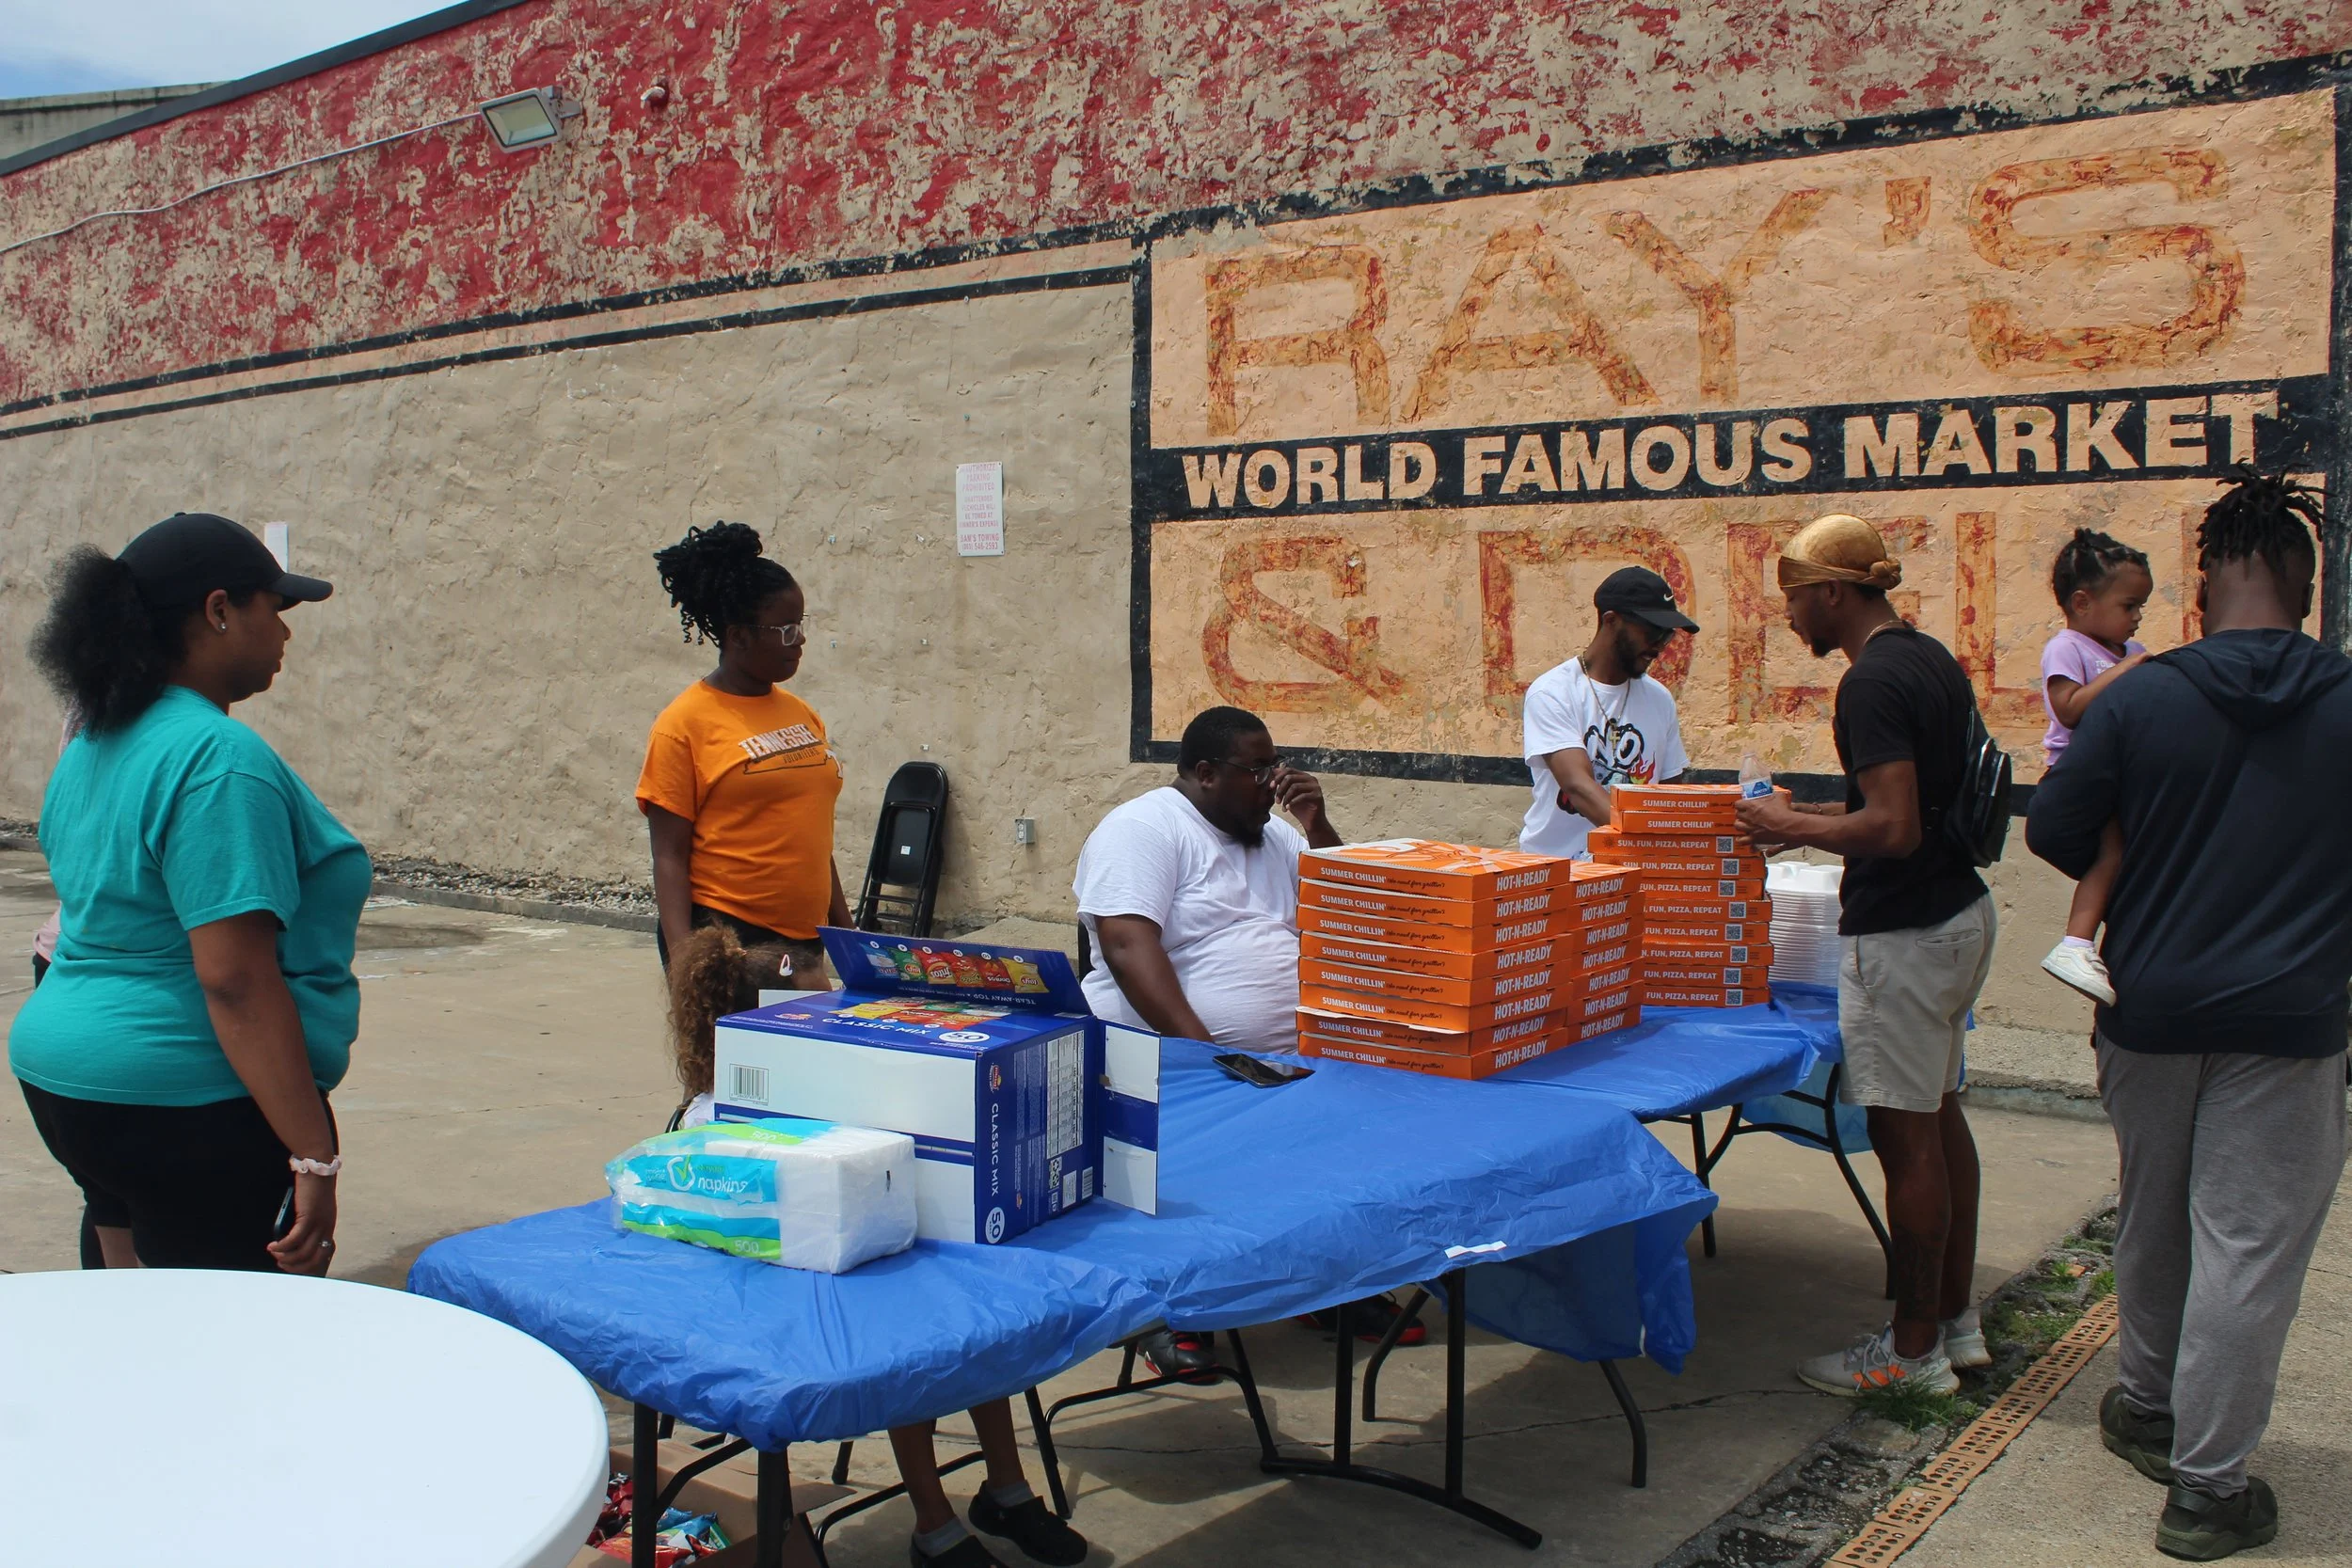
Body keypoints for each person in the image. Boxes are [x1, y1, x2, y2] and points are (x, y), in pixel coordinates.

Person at [2027, 471, 2350, 1562]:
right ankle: (2208, 1489)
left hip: (2147, 1006)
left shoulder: (2140, 696)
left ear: (2201, 591)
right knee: (2246, 1245)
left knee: (2155, 1211)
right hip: (2291, 1017)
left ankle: (2146, 1406)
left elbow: (2056, 829)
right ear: (2307, 592)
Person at [665, 925, 1086, 1568]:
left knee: (969, 1309)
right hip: (777, 1295)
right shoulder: (716, 1115)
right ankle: (934, 1524)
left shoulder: (796, 1080)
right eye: (820, 1003)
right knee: (911, 1324)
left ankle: (1006, 1487)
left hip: (830, 1262)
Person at [9, 514, 364, 1274]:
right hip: (184, 1099)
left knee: (131, 1312)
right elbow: (234, 978)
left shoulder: (101, 739)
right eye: (276, 606)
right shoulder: (216, 760)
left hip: (70, 1082)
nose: (285, 632)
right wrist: (313, 1154)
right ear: (218, 610)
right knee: (228, 1346)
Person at [1735, 514, 1995, 1396]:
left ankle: (1912, 1352)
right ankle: (1953, 1322)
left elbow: (1893, 824)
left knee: (1904, 1133)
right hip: (1957, 912)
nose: (1792, 618)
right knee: (1939, 1113)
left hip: (1907, 931)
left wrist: (1786, 824)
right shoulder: (1926, 655)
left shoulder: (1871, 684)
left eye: (1797, 600)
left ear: (1833, 593)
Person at [1075, 706, 1414, 1368]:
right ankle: (1171, 1312)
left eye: (1276, 765)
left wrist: (1318, 828)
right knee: (1198, 1187)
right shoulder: (1145, 829)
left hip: (1282, 1062)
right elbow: (1125, 942)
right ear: (1206, 773)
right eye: (1257, 769)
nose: (1274, 781)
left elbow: (1342, 914)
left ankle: (1322, 1285)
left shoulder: (1280, 838)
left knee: (1338, 1147)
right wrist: (1209, 1056)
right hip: (1172, 1063)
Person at [637, 521, 849, 990]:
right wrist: (684, 964)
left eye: (802, 626)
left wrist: (846, 937)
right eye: (786, 629)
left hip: (805, 940)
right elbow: (669, 856)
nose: (800, 640)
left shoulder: (802, 715)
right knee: (739, 1065)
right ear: (738, 636)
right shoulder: (684, 725)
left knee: (808, 1062)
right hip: (730, 942)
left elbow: (811, 835)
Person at [2036, 529, 2153, 1005]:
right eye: (2129, 606)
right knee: (2112, 855)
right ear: (2083, 603)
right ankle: (2075, 942)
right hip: (2078, 773)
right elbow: (2068, 708)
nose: (2138, 618)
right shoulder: (2068, 648)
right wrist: (2125, 672)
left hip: (2120, 774)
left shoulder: (2134, 654)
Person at [1518, 566, 1697, 857]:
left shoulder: (1659, 699)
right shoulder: (1553, 692)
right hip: (1558, 873)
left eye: (1667, 637)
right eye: (1652, 632)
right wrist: (1656, 846)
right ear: (1611, 620)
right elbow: (1578, 788)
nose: (1659, 647)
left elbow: (1669, 793)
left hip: (1631, 871)